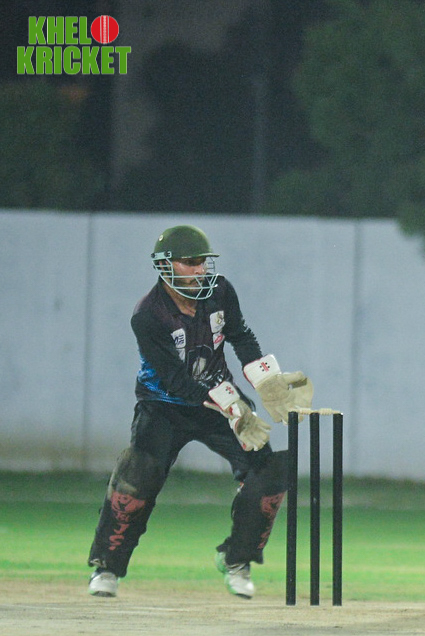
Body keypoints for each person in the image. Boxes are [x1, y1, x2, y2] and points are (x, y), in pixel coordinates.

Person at [87, 225, 313, 599]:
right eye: (189, 262)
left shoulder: (220, 291)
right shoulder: (148, 315)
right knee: (138, 473)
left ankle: (236, 560)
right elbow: (175, 380)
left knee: (267, 472)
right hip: (163, 406)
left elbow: (240, 335)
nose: (199, 270)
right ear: (165, 266)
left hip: (218, 400)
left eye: (202, 262)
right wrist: (231, 405)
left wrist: (267, 381)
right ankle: (107, 567)